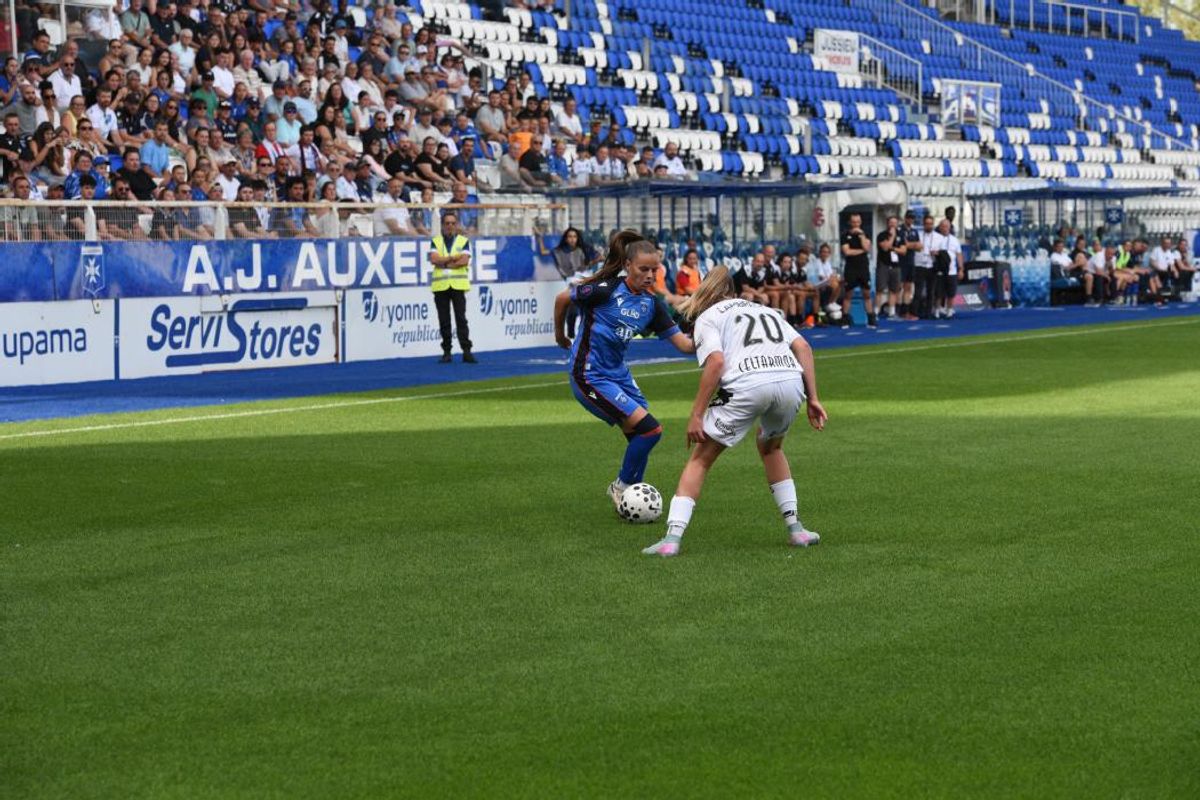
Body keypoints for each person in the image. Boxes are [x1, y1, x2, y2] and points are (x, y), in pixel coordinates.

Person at [641, 265, 827, 557]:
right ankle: (797, 530)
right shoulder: (764, 310)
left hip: (747, 385)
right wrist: (814, 397)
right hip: (790, 382)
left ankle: (671, 540)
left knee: (700, 459)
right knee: (771, 448)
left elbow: (715, 362)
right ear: (734, 291)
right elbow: (802, 346)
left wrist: (696, 414)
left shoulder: (709, 316)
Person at [553, 231, 697, 508]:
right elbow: (562, 299)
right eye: (643, 269)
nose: (649, 275)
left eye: (654, 270)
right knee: (651, 431)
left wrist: (713, 339)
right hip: (589, 376)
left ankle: (629, 496)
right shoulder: (605, 289)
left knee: (639, 435)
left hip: (618, 375)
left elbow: (684, 345)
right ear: (628, 265)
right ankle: (622, 487)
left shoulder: (651, 304)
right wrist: (560, 336)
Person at [430, 211, 476, 364]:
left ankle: (466, 351)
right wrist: (452, 257)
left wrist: (446, 262)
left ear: (457, 225)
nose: (450, 226)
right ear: (443, 225)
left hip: (458, 285)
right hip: (441, 286)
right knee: (444, 321)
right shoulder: (436, 241)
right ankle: (447, 352)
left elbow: (464, 261)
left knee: (461, 319)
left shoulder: (463, 240)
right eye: (447, 223)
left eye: (452, 223)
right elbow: (434, 260)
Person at [840, 213, 874, 326]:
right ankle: (845, 320)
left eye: (858, 222)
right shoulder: (845, 235)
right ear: (850, 223)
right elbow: (847, 252)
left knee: (867, 294)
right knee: (848, 294)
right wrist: (861, 251)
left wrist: (862, 236)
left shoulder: (865, 234)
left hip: (863, 267)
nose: (856, 224)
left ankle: (871, 320)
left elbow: (867, 247)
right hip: (851, 268)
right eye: (853, 222)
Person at [932, 218, 964, 319]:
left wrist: (961, 269)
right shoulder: (935, 238)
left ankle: (949, 310)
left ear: (949, 228)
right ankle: (937, 310)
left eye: (946, 226)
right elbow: (931, 251)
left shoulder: (954, 240)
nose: (945, 228)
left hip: (952, 270)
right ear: (939, 227)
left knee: (951, 292)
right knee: (939, 293)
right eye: (943, 226)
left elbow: (959, 255)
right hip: (940, 270)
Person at [874, 214, 905, 319]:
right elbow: (885, 248)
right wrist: (891, 237)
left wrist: (893, 248)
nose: (893, 225)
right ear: (887, 223)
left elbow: (903, 250)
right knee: (880, 289)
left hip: (896, 265)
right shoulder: (882, 235)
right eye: (891, 222)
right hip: (884, 264)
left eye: (895, 223)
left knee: (894, 290)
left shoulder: (901, 235)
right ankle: (876, 311)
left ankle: (891, 311)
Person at [897, 210, 921, 319]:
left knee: (908, 287)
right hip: (901, 262)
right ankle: (896, 310)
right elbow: (903, 245)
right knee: (899, 287)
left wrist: (911, 245)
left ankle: (905, 311)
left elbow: (920, 247)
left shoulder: (914, 231)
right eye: (909, 218)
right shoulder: (900, 230)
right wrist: (913, 245)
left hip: (911, 261)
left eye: (912, 218)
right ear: (905, 218)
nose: (910, 220)